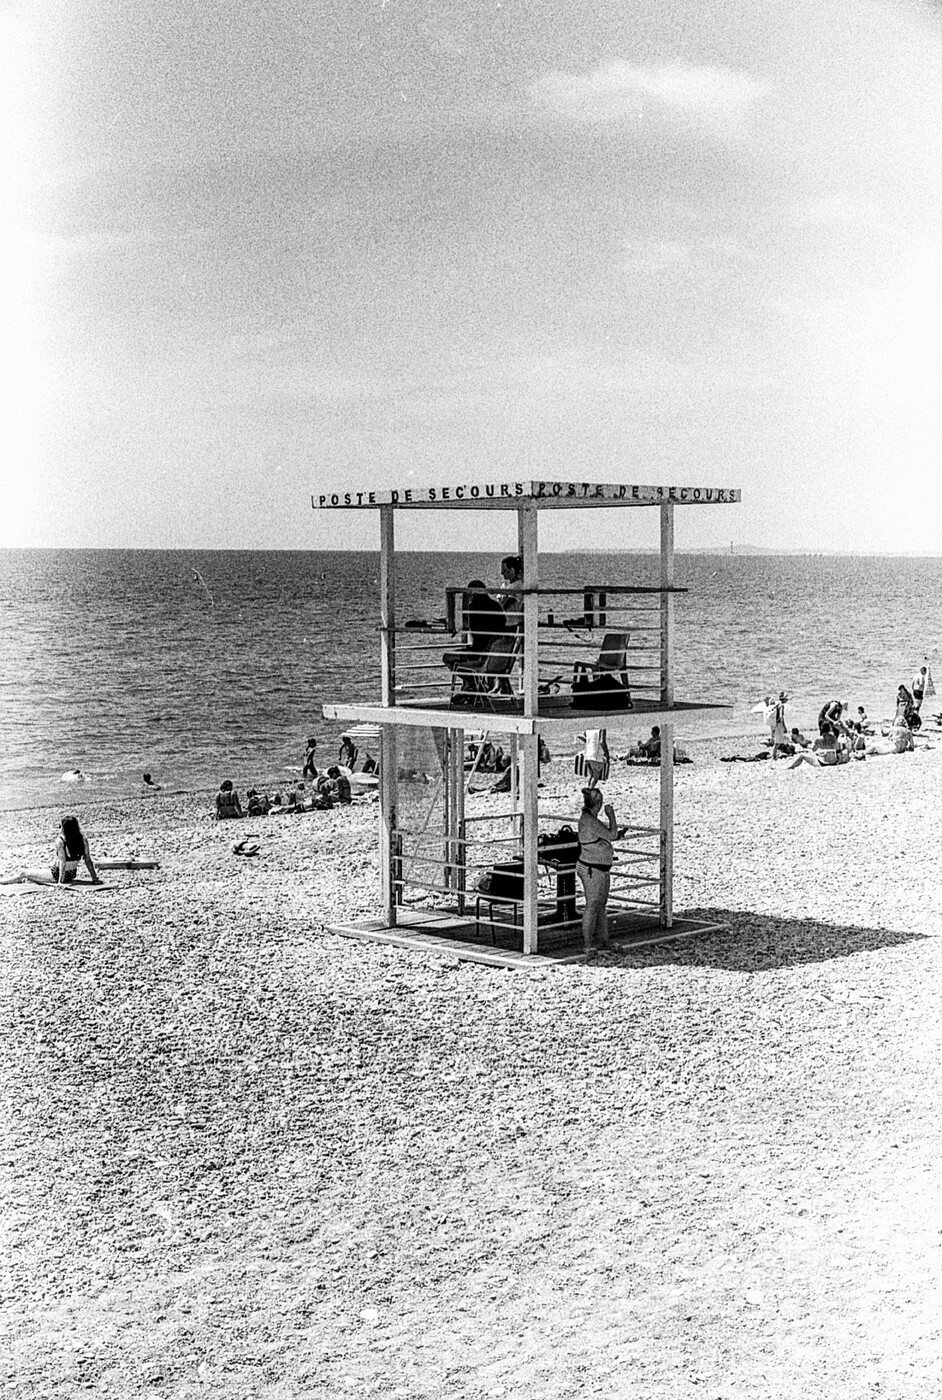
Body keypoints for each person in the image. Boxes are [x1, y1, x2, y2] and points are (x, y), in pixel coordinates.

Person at [1, 815, 102, 886]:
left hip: (57, 875)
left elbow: (62, 863)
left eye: (60, 826)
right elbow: (88, 860)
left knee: (24, 873)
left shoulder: (61, 841)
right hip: (72, 874)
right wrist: (94, 878)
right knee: (35, 874)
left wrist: (60, 882)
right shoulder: (82, 839)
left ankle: (2, 881)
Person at [443, 580, 506, 691]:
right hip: (496, 655)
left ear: (473, 594)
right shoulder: (497, 607)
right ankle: (473, 685)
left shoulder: (472, 608)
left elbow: (463, 624)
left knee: (448, 657)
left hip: (479, 652)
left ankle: (474, 683)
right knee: (460, 658)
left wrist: (452, 623)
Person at [577, 787, 617, 952]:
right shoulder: (590, 821)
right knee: (593, 905)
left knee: (600, 905)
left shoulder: (590, 819)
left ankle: (603, 941)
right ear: (598, 803)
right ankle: (588, 944)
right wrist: (611, 816)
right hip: (592, 868)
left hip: (600, 867)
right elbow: (612, 835)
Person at [771, 692, 789, 758]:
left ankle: (775, 754)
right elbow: (781, 717)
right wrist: (784, 727)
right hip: (779, 724)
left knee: (778, 740)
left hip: (775, 724)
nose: (787, 700)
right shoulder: (781, 706)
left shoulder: (777, 705)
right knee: (778, 741)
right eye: (786, 698)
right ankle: (774, 755)